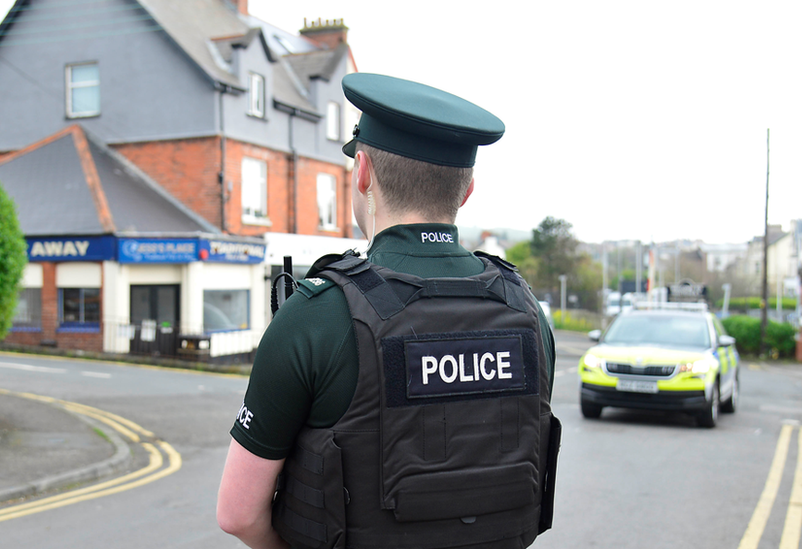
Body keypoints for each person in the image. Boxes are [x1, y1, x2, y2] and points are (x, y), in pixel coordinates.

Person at [217, 73, 559, 549]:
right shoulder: (527, 313)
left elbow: (238, 515)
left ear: (362, 172)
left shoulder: (318, 315)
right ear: (466, 190)